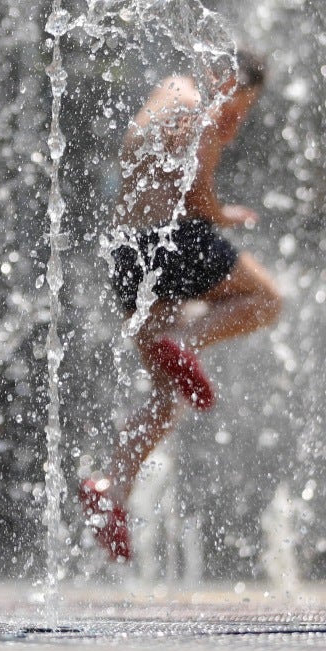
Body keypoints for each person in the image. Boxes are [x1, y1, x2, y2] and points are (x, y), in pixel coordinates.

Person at [79, 50, 283, 562]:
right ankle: (185, 341)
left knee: (168, 395)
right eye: (239, 106)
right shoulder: (202, 106)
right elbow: (196, 191)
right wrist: (226, 216)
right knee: (267, 299)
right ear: (227, 79)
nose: (235, 119)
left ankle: (112, 491)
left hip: (129, 257)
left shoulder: (166, 92)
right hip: (173, 241)